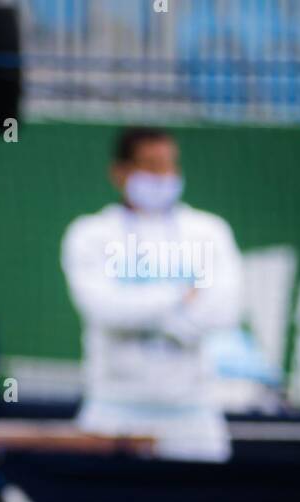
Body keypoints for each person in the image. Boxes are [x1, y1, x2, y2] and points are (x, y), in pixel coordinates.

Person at [60, 127, 242, 462]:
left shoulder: (210, 232)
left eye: (169, 166)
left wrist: (148, 315)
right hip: (112, 417)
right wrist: (179, 296)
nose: (163, 176)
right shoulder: (89, 234)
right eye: (151, 166)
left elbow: (224, 311)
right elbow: (104, 309)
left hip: (194, 421)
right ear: (120, 172)